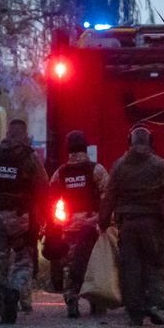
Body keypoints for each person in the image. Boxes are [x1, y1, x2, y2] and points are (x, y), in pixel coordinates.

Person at [98, 125, 164, 326]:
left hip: (127, 224)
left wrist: (103, 222)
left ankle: (134, 310)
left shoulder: (119, 166)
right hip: (152, 224)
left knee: (130, 266)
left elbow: (109, 196)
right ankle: (154, 303)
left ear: (130, 142)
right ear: (150, 142)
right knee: (156, 263)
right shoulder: (160, 165)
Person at [0, 118, 46, 324]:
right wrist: (43, 217)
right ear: (24, 135)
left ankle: (4, 309)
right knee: (23, 258)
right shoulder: (30, 158)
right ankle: (17, 291)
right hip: (22, 216)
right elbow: (43, 188)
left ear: (7, 133)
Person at [50, 130, 110, 318]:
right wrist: (104, 220)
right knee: (93, 263)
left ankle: (71, 298)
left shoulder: (61, 172)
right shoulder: (96, 169)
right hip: (92, 226)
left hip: (69, 227)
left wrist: (54, 224)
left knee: (71, 264)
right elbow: (107, 197)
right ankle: (96, 301)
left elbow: (51, 198)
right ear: (86, 147)